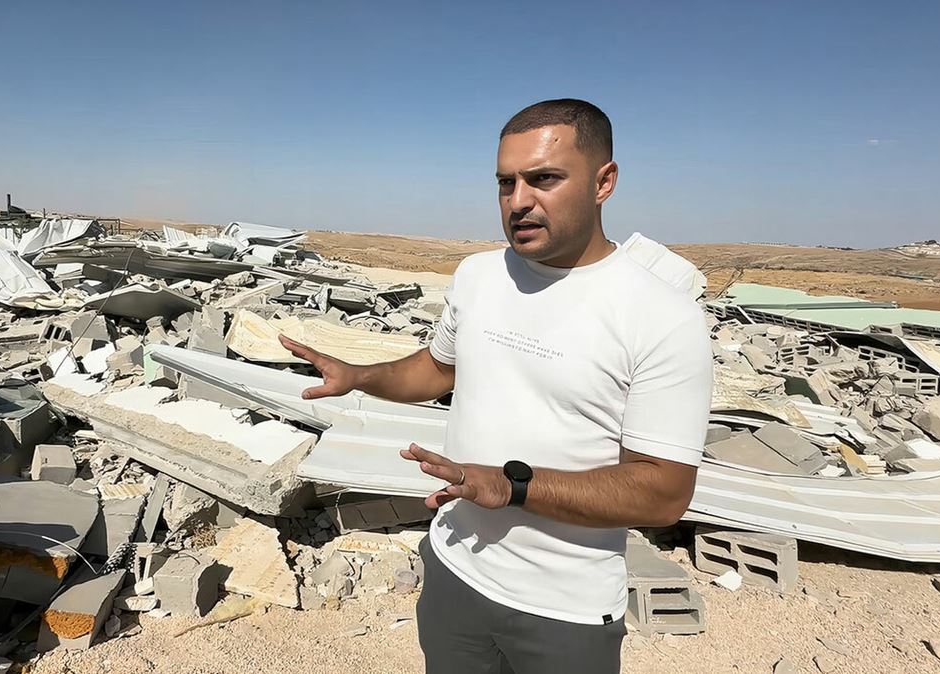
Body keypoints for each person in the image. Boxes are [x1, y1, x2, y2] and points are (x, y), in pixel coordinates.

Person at [280, 99, 712, 674]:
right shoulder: (479, 275)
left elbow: (663, 493)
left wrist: (511, 486)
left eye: (544, 179)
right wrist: (360, 376)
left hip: (565, 610)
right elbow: (439, 368)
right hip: (454, 572)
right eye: (506, 183)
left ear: (604, 182)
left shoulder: (662, 317)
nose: (518, 201)